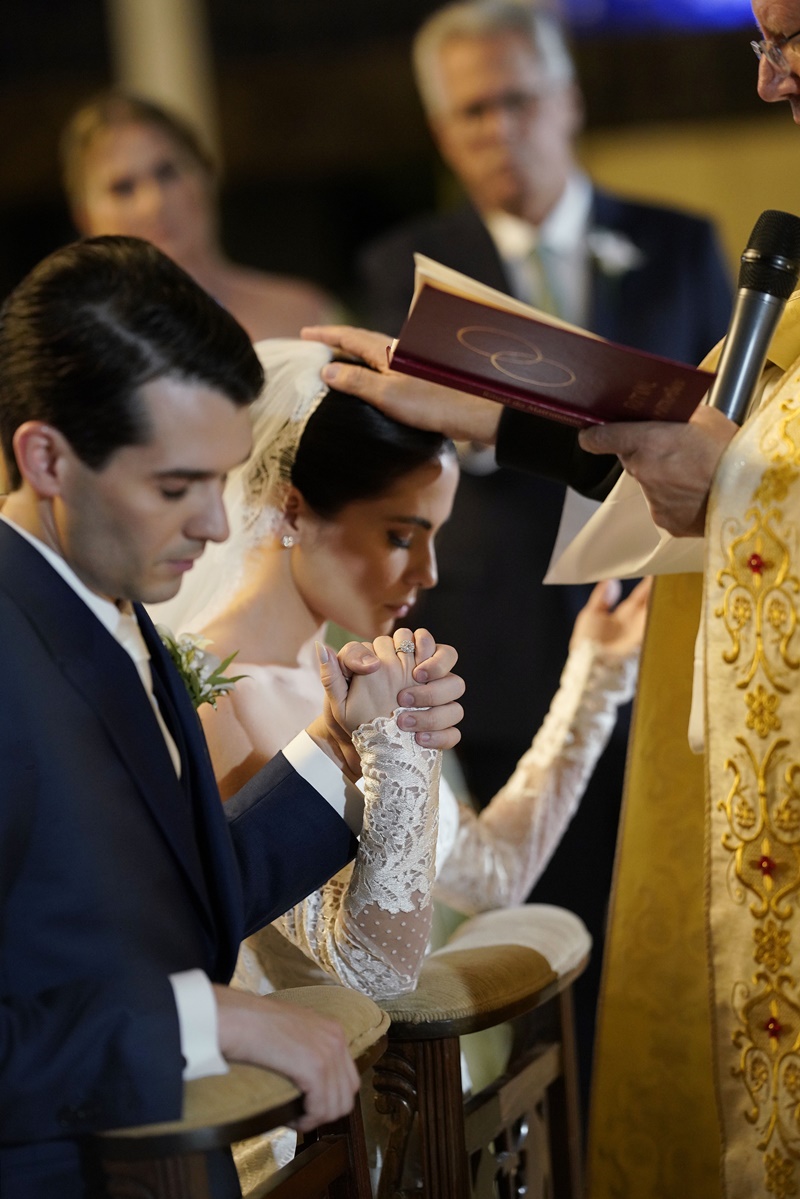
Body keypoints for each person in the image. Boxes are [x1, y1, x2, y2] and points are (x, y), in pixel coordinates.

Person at [300, 5, 800, 1180]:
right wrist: (499, 418)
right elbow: (748, 450)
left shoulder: (674, 238)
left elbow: (746, 470)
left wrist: (708, 480)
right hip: (514, 640)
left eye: (788, 40)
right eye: (760, 45)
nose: (773, 83)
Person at [0, 236, 464, 1199]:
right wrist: (201, 1023)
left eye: (220, 479)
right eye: (176, 487)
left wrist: (342, 744)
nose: (217, 525)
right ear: (46, 457)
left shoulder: (113, 604)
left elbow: (177, 898)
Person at [154, 336, 648, 1189]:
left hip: (402, 1122)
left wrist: (596, 677)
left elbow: (488, 875)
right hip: (302, 1139)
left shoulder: (358, 678)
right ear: (293, 508)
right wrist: (397, 752)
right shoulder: (208, 694)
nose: (425, 573)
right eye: (400, 533)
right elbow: (374, 971)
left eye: (436, 538)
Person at [356, 0, 732, 1097]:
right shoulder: (400, 269)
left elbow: (730, 427)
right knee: (528, 929)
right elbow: (394, 453)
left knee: (663, 902)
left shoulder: (673, 241)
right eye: (471, 112)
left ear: (565, 100)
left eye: (517, 100)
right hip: (498, 634)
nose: (497, 131)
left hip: (660, 617)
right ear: (442, 132)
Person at [60, 90, 338, 342]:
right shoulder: (81, 347)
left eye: (167, 172)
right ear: (85, 218)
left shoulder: (309, 314)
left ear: (207, 174)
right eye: (122, 188)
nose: (153, 203)